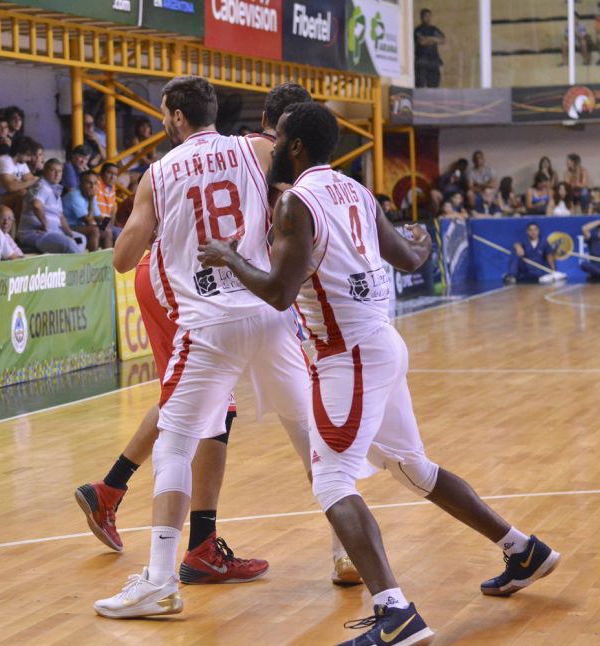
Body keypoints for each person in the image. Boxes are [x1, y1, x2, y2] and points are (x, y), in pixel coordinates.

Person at [197, 101, 560, 644]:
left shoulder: (296, 202)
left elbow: (279, 293)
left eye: (278, 140)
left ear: (295, 146)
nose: (270, 150)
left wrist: (229, 257)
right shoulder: (357, 192)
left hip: (348, 356)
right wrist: (423, 241)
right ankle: (522, 550)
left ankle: (395, 613)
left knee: (331, 480)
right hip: (381, 345)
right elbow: (410, 258)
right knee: (412, 468)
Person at [93, 77, 321, 619]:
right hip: (267, 313)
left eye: (163, 114)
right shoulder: (257, 149)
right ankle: (346, 552)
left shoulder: (158, 174)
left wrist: (160, 223)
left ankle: (159, 581)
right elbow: (299, 201)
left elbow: (122, 260)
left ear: (176, 116)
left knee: (175, 445)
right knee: (310, 435)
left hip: (207, 325)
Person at [18, 158, 81, 254]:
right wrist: (45, 225)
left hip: (53, 232)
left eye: (59, 171)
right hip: (35, 233)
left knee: (81, 239)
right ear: (45, 171)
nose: (57, 174)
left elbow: (61, 217)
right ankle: (78, 263)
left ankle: (68, 262)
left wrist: (70, 234)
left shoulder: (55, 190)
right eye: (53, 170)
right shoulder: (41, 186)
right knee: (69, 244)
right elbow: (36, 205)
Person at [0, 136, 42, 208]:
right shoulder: (5, 161)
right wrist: (31, 182)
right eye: (28, 155)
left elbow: (32, 180)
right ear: (19, 153)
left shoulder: (21, 164)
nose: (29, 159)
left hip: (2, 199)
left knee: (33, 195)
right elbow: (11, 187)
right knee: (21, 193)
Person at [414, 9, 445, 88]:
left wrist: (429, 39)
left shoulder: (434, 29)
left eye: (429, 16)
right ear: (421, 17)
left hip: (434, 61)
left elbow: (443, 40)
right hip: (422, 61)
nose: (428, 18)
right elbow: (422, 42)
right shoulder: (418, 30)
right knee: (420, 85)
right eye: (426, 16)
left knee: (434, 85)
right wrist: (435, 39)